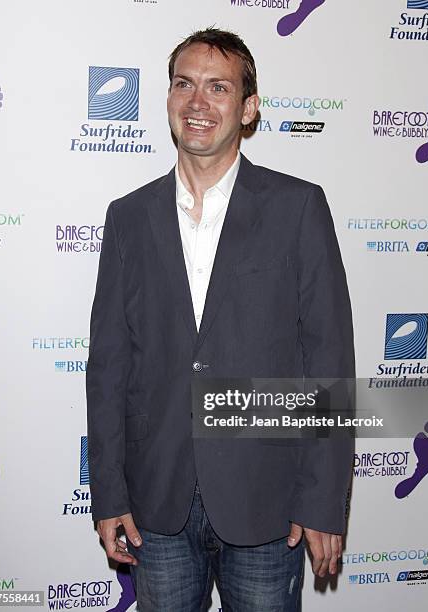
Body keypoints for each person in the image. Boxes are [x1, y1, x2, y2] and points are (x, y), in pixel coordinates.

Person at [86, 27, 355, 612]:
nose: (197, 103)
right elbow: (108, 365)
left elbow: (329, 360)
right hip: (156, 500)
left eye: (218, 88)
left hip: (268, 497)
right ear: (167, 99)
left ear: (249, 108)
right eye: (184, 85)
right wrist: (107, 491)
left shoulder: (298, 207)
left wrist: (322, 500)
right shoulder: (128, 218)